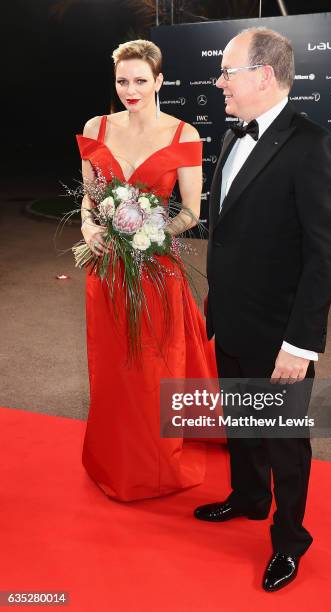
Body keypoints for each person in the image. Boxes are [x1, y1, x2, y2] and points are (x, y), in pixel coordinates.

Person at [194, 28, 331, 592]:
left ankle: (289, 540)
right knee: (242, 423)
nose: (219, 83)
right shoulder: (234, 134)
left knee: (284, 440)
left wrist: (300, 345)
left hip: (282, 332)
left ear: (262, 74)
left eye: (226, 72)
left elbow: (323, 257)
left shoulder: (313, 146)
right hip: (233, 316)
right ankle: (249, 498)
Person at [76, 39, 217, 502]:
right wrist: (92, 227)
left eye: (140, 80)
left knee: (154, 368)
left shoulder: (184, 135)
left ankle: (154, 463)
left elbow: (192, 212)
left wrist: (149, 235)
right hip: (107, 270)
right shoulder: (96, 126)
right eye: (122, 81)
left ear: (159, 81)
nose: (130, 90)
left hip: (155, 270)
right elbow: (89, 198)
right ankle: (112, 458)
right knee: (112, 366)